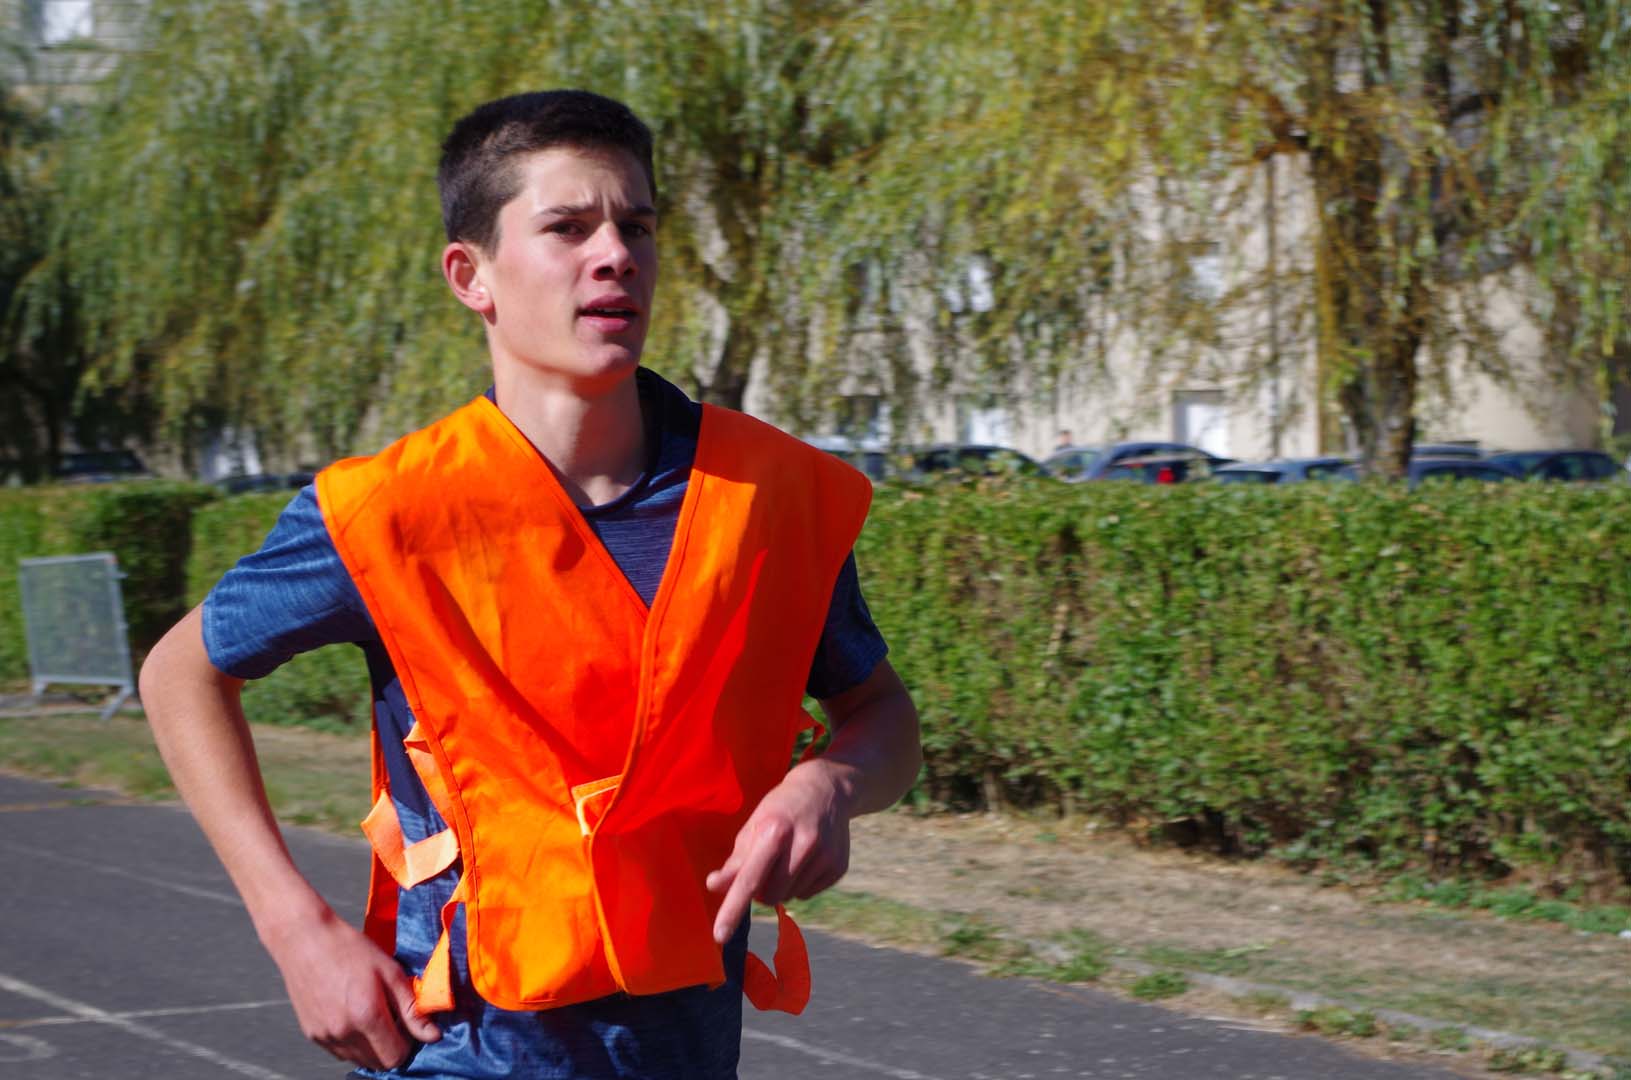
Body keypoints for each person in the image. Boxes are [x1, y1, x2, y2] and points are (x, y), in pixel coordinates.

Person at [139, 89, 921, 1079]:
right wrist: (295, 929)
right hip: (459, 1044)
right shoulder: (389, 511)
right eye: (568, 227)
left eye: (637, 226)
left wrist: (831, 784)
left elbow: (881, 716)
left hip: (686, 1046)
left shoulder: (767, 495)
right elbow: (179, 674)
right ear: (471, 276)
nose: (615, 253)